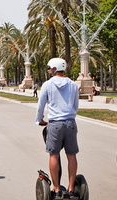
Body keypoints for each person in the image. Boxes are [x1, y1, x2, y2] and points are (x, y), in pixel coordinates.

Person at [35, 58, 79, 199]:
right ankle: (71, 189)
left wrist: (39, 120)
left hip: (55, 124)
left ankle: (56, 189)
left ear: (54, 69)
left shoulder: (48, 85)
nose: (48, 70)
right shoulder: (73, 85)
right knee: (71, 155)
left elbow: (40, 105)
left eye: (49, 68)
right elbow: (76, 105)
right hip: (70, 122)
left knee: (54, 155)